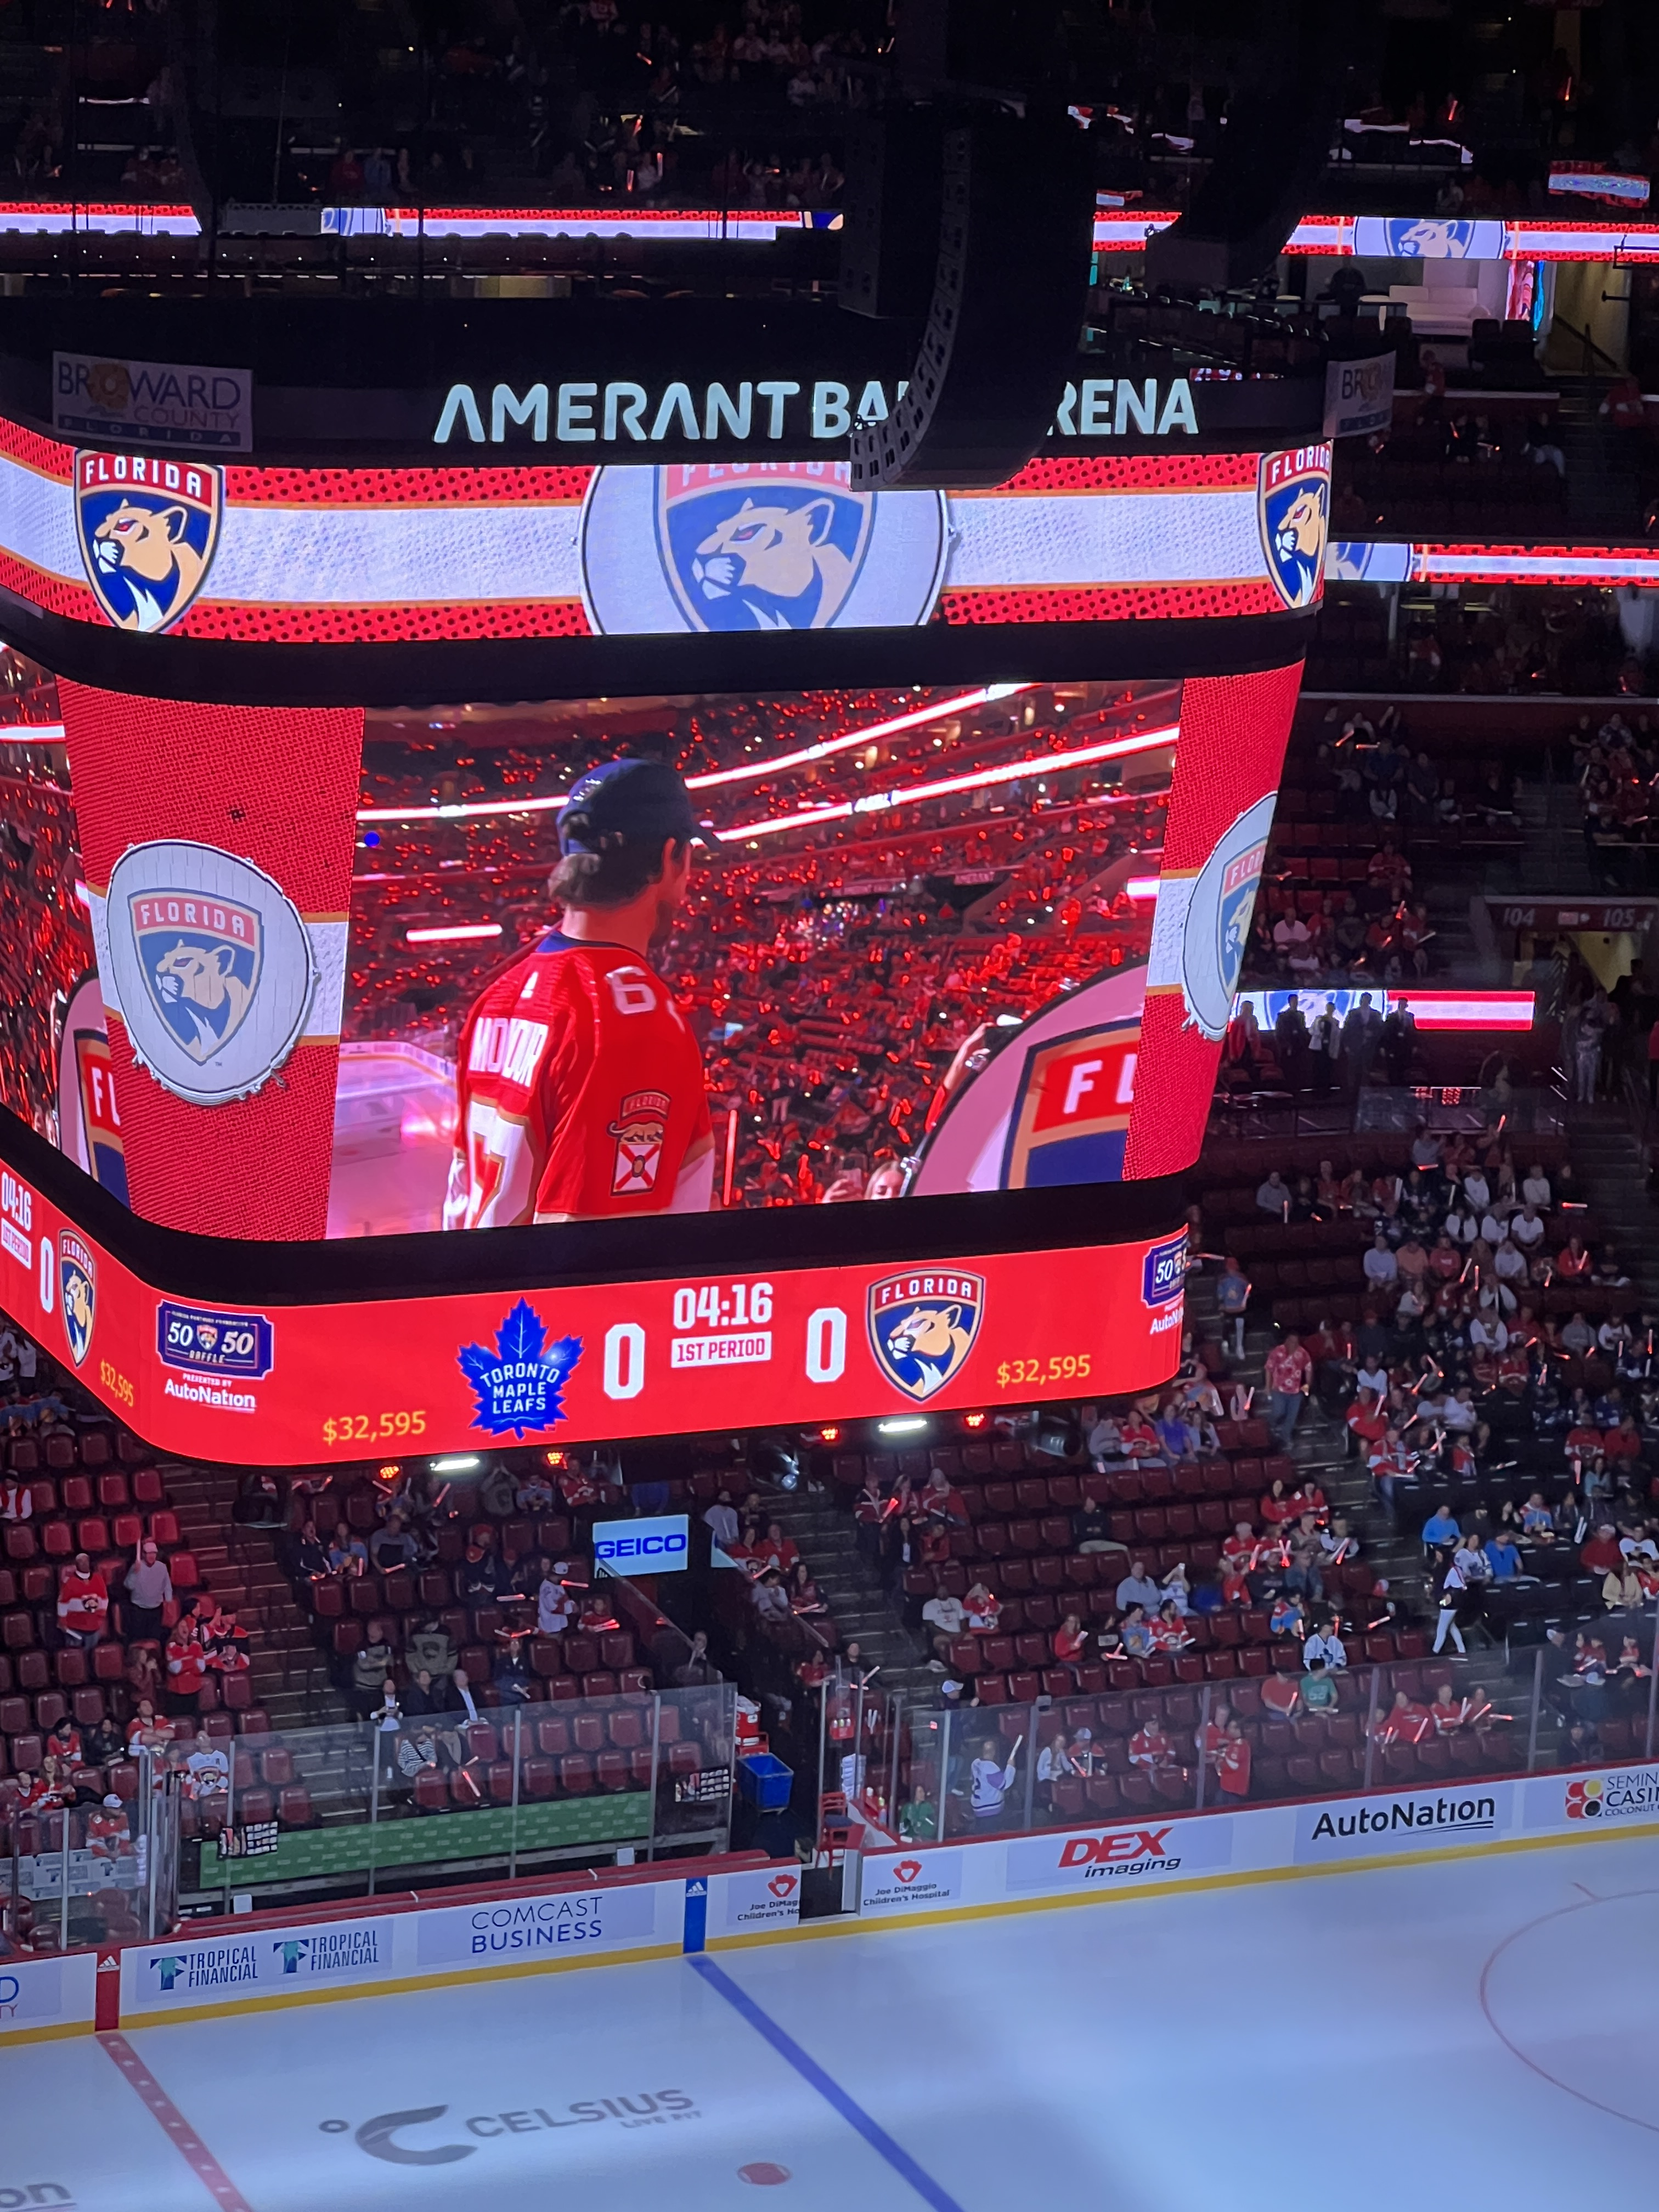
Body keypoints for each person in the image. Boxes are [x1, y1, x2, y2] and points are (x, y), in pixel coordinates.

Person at [444, 757, 714, 1229]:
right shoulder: (636, 1024)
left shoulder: (496, 998)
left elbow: (459, 1186)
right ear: (673, 856)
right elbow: (595, 1245)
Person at [1264, 1333, 1311, 1449]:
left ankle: (1286, 1436)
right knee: (1279, 1411)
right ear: (1287, 1341)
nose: (1294, 1345)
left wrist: (1308, 1385)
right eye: (1292, 1342)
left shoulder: (1303, 1353)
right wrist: (1268, 1386)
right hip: (1279, 1389)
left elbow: (1309, 1368)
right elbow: (1269, 1369)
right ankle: (1269, 1425)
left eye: (1296, 1342)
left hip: (1296, 1391)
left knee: (1292, 1417)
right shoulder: (1277, 1352)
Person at [57, 1552, 109, 1647]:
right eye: (81, 1562)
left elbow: (104, 1600)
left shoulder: (98, 1579)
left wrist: (101, 1616)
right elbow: (63, 1603)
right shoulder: (70, 1582)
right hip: (75, 1628)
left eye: (86, 1562)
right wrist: (63, 1621)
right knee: (75, 1653)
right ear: (77, 1565)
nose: (84, 1564)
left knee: (93, 1653)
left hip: (93, 1627)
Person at [968, 1734, 1020, 1824]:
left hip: (978, 1805)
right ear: (994, 1752)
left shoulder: (976, 1763)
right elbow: (1005, 1784)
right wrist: (1011, 1767)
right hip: (989, 1808)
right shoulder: (990, 1768)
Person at [1215, 1256, 1251, 1358]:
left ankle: (1240, 1347)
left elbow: (1247, 1291)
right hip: (1227, 1308)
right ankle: (1225, 1344)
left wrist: (1245, 1300)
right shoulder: (1223, 1280)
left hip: (1240, 1308)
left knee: (1240, 1325)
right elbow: (1220, 1294)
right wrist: (1221, 1305)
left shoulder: (1242, 1278)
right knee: (1226, 1325)